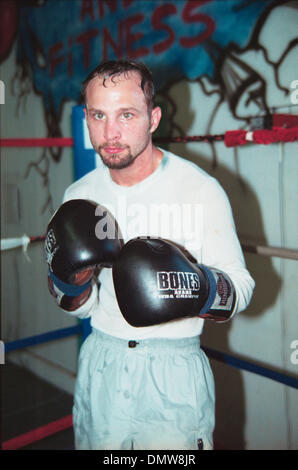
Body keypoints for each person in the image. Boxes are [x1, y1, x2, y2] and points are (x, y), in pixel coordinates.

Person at [45, 59, 255, 450]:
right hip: (102, 362)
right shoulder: (78, 196)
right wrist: (70, 280)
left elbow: (241, 288)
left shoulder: (199, 190)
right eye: (98, 115)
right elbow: (79, 305)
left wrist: (196, 287)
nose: (110, 132)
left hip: (172, 374)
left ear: (153, 118)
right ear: (87, 118)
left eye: (126, 114)